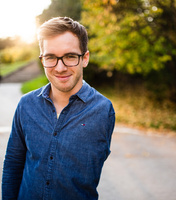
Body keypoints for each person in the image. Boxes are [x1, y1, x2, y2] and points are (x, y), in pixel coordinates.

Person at [2, 17, 115, 200]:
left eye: (70, 56)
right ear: (42, 59)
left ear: (85, 58)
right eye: (51, 57)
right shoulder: (26, 105)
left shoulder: (103, 111)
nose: (60, 67)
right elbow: (13, 164)